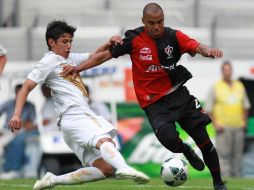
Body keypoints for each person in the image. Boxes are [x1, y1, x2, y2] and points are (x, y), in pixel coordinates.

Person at [63, 3, 227, 190]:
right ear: (143, 21)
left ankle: (218, 183)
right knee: (169, 140)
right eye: (151, 23)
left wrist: (209, 52)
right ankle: (185, 150)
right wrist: (78, 68)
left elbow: (197, 46)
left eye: (160, 22)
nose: (156, 26)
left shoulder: (174, 36)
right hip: (155, 104)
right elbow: (104, 56)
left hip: (179, 96)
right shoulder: (134, 39)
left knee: (205, 141)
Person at [8, 20, 149, 190]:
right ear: (51, 42)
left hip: (71, 123)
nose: (69, 46)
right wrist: (16, 114)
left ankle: (53, 180)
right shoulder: (48, 61)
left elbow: (95, 56)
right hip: (75, 115)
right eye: (64, 41)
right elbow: (25, 87)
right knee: (104, 139)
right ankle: (125, 168)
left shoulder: (70, 58)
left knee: (105, 169)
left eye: (70, 41)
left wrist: (108, 43)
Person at [205, 61, 251, 177]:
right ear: (222, 72)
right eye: (225, 70)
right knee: (224, 156)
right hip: (223, 128)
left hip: (238, 127)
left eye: (229, 70)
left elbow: (246, 106)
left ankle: (238, 181)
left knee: (238, 156)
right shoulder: (216, 87)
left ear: (231, 71)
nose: (227, 72)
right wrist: (215, 124)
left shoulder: (239, 86)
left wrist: (244, 122)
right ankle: (226, 180)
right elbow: (208, 108)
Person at [0, 84, 38, 179]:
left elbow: (32, 123)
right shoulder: (8, 103)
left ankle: (13, 169)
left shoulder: (30, 106)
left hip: (21, 132)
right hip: (7, 131)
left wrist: (23, 125)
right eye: (19, 93)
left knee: (16, 141)